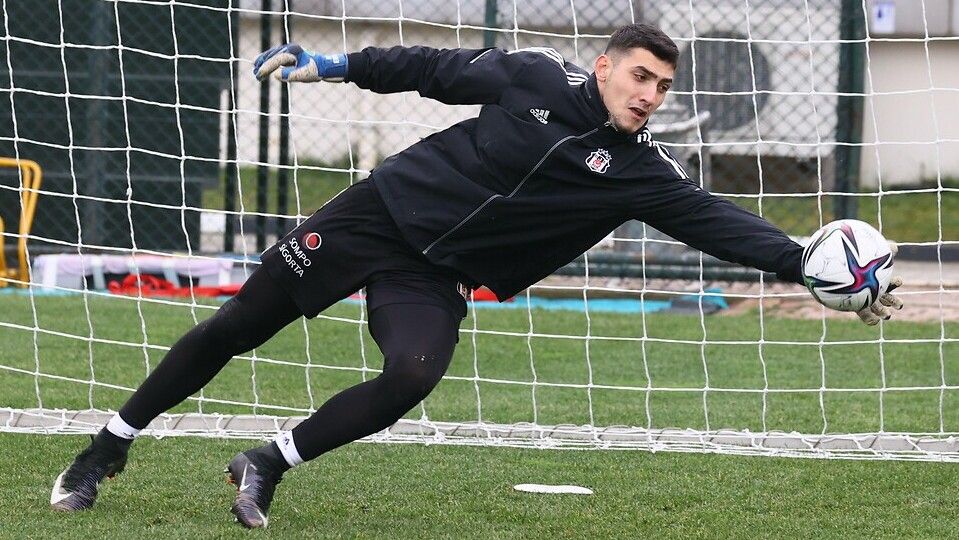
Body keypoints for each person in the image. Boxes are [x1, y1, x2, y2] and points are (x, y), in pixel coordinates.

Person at [49, 23, 903, 528]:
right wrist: (338, 66)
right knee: (235, 330)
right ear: (604, 67)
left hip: (437, 273)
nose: (649, 94)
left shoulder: (641, 170)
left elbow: (720, 225)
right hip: (372, 216)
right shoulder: (530, 78)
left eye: (662, 86)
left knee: (413, 372)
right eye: (639, 75)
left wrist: (811, 268)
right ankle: (103, 451)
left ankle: (266, 462)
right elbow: (430, 69)